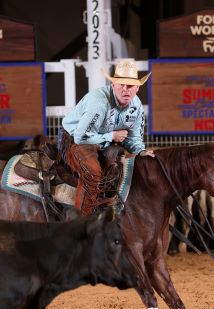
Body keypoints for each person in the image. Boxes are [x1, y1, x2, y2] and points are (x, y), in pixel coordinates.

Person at [61, 59, 154, 215]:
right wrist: (111, 136)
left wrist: (140, 151)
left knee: (120, 170)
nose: (125, 89)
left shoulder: (136, 107)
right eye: (121, 85)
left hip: (103, 142)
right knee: (92, 172)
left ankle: (111, 212)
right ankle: (82, 222)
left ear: (137, 88)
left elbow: (134, 137)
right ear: (113, 85)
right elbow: (81, 137)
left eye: (130, 86)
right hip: (77, 139)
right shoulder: (99, 103)